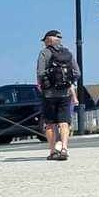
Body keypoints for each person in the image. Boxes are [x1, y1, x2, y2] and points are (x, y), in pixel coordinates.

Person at [37, 30, 79, 161]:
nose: (44, 43)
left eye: (44, 41)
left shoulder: (44, 53)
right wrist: (68, 83)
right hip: (65, 93)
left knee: (50, 124)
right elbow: (77, 73)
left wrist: (45, 85)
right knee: (64, 122)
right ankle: (64, 148)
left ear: (49, 40)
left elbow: (39, 73)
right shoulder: (68, 53)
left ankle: (52, 151)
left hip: (49, 94)